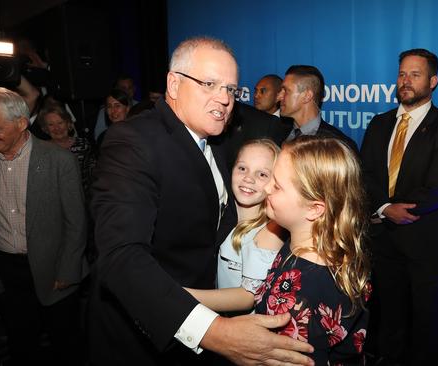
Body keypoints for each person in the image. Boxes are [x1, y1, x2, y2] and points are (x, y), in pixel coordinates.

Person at [87, 36, 314, 366]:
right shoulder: (133, 141)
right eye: (209, 84)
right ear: (174, 84)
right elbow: (121, 257)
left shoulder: (217, 142)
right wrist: (216, 332)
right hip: (144, 339)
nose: (224, 98)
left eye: (231, 90)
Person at [0, 87, 88, 365]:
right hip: (4, 269)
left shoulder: (59, 160)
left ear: (21, 123)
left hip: (53, 268)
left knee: (65, 340)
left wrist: (67, 268)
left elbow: (76, 222)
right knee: (21, 340)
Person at [359, 48, 438, 366]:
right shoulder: (379, 125)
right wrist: (383, 207)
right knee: (389, 316)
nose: (406, 81)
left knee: (427, 321)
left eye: (415, 74)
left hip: (428, 243)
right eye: (402, 74)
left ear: (433, 81)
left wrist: (396, 209)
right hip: (384, 239)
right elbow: (364, 174)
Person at [253, 136, 370, 364]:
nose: (266, 187)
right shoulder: (304, 245)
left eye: (277, 185)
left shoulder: (307, 289)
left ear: (315, 209)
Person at [186, 139, 285, 311]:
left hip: (244, 330)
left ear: (274, 183)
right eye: (242, 168)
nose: (248, 178)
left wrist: (180, 296)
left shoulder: (269, 232)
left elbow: (248, 297)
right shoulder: (221, 215)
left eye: (262, 174)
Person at [277, 65, 358, 152]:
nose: (279, 96)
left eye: (286, 91)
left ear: (307, 96)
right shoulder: (278, 133)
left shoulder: (339, 146)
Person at [37, 104, 95, 197]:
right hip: (54, 200)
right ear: (45, 128)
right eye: (51, 124)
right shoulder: (41, 149)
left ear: (68, 123)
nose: (57, 128)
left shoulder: (83, 145)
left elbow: (93, 173)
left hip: (83, 198)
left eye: (60, 123)